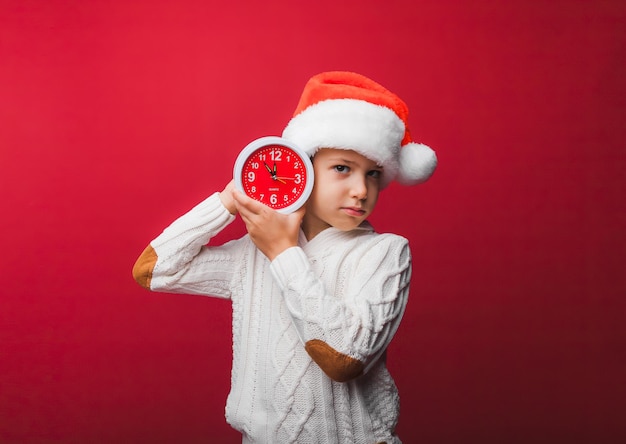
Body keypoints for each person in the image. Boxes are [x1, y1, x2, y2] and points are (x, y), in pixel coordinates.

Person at [132, 71, 437, 443]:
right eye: (342, 168)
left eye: (373, 174)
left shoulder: (384, 252)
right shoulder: (253, 253)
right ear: (304, 169)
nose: (361, 190)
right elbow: (155, 270)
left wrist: (282, 252)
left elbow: (344, 358)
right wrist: (230, 199)